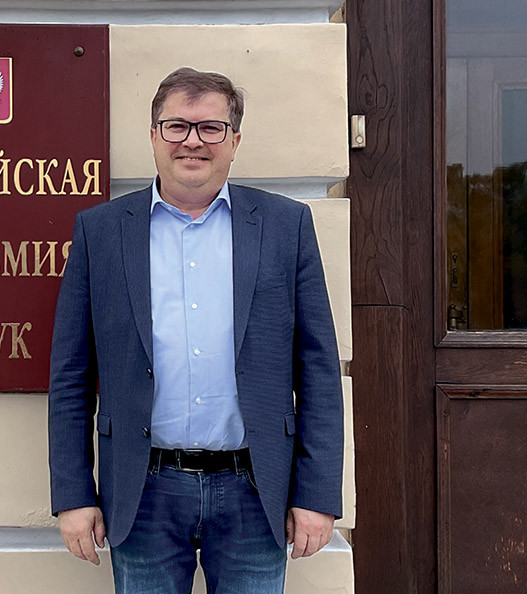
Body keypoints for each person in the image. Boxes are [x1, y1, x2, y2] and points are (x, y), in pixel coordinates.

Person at [48, 66, 344, 593]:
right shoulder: (101, 231)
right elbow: (71, 375)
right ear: (153, 136)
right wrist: (74, 494)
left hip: (256, 490)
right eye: (177, 126)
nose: (192, 141)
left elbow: (318, 368)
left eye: (210, 127)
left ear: (234, 141)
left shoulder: (285, 226)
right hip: (143, 492)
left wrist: (316, 494)